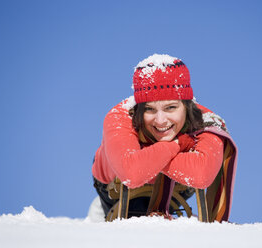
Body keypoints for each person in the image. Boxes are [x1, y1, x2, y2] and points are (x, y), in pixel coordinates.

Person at [92, 54, 238, 222]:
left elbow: (201, 175)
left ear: (187, 106)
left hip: (178, 186)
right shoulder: (119, 116)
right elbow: (130, 172)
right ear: (139, 109)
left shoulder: (207, 122)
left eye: (171, 107)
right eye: (149, 109)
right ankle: (98, 210)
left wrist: (145, 159)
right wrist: (177, 145)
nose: (160, 121)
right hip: (113, 184)